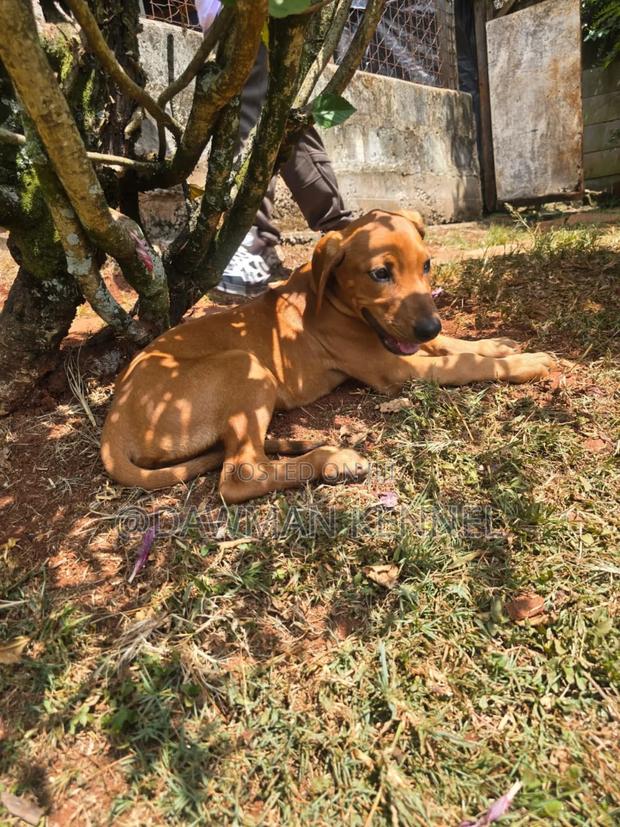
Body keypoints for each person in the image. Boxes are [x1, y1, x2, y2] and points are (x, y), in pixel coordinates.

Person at [196, 0, 353, 296]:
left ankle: (252, 241)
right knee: (281, 118)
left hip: (257, 12)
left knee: (258, 118)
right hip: (236, 15)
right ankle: (340, 232)